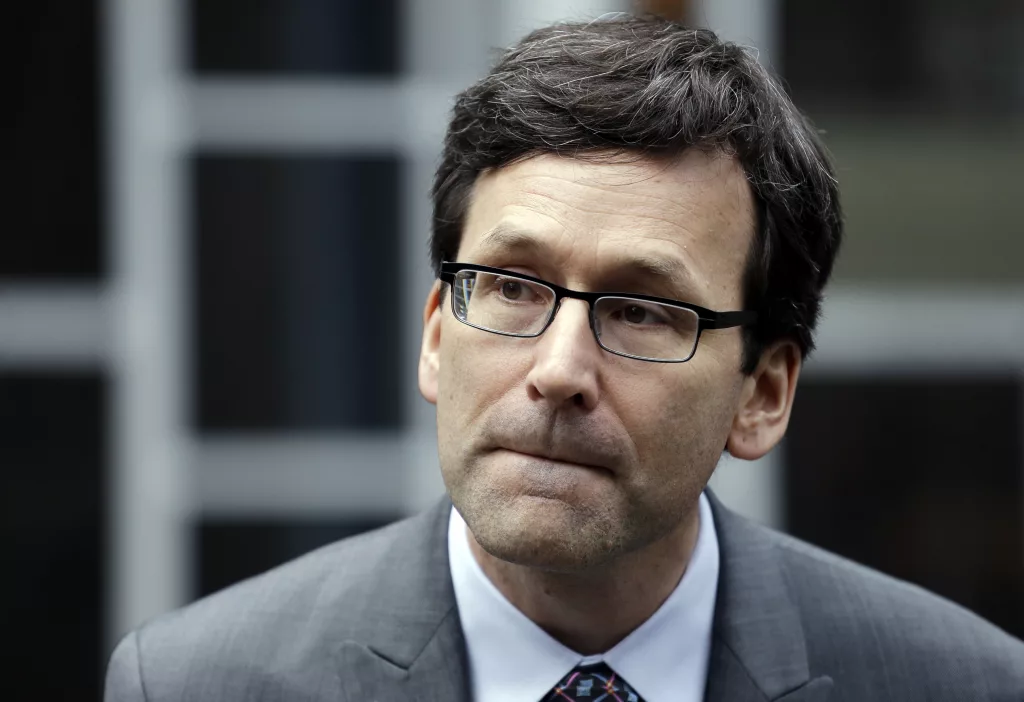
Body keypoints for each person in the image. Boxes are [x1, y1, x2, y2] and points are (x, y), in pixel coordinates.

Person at [105, 15, 1023, 702]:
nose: (558, 369)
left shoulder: (962, 685)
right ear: (436, 334)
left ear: (764, 393)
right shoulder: (195, 682)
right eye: (511, 287)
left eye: (640, 310)